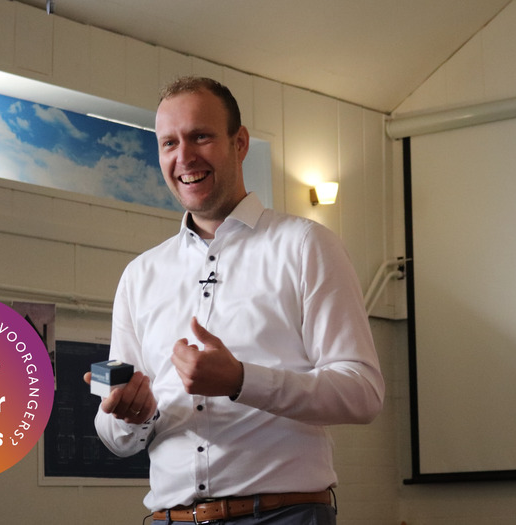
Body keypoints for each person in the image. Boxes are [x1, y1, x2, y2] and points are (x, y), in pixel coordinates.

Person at [87, 76, 385, 524]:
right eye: (169, 143)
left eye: (200, 137)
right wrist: (134, 415)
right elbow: (115, 437)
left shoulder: (305, 245)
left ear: (239, 142)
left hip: (284, 516)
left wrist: (242, 380)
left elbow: (363, 392)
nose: (184, 157)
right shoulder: (139, 276)